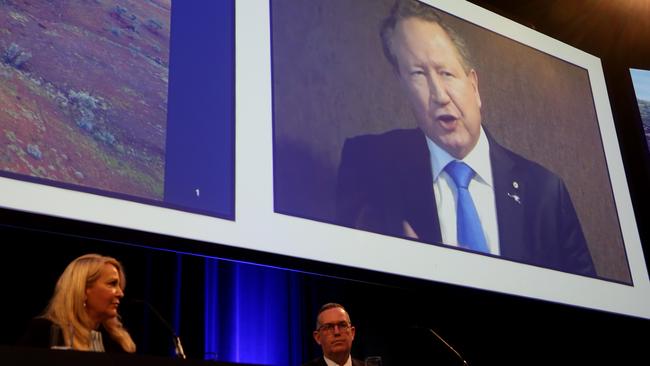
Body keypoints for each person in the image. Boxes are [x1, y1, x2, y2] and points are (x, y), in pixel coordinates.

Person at [336, 0, 596, 276]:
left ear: (473, 86)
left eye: (446, 73)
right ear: (402, 86)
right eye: (418, 75)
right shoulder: (369, 163)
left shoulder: (546, 192)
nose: (439, 95)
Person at [19, 253, 136, 353]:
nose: (121, 293)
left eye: (119, 286)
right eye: (112, 284)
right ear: (83, 290)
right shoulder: (45, 331)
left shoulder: (117, 342)